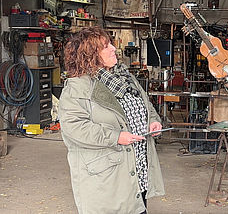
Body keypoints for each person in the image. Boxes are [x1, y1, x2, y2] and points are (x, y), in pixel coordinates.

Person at [59, 26, 165, 214]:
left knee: (138, 208)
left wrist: (153, 121)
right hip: (107, 175)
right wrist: (115, 137)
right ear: (90, 54)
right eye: (106, 47)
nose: (113, 49)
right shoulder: (77, 87)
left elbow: (146, 105)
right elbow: (74, 128)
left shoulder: (125, 77)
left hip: (137, 167)